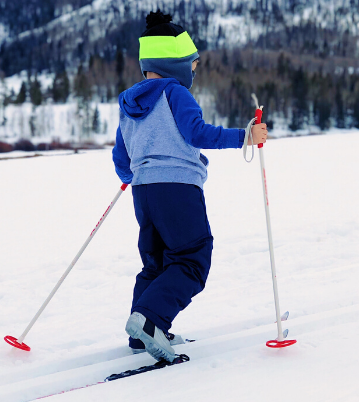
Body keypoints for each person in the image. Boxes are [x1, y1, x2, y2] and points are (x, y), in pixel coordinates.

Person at [112, 10, 267, 362]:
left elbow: (121, 155)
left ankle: (144, 332)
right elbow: (197, 133)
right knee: (192, 257)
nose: (194, 72)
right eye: (193, 65)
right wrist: (244, 136)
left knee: (156, 262)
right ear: (176, 63)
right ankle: (151, 321)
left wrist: (128, 176)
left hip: (143, 192)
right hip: (178, 188)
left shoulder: (128, 102)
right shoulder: (175, 92)